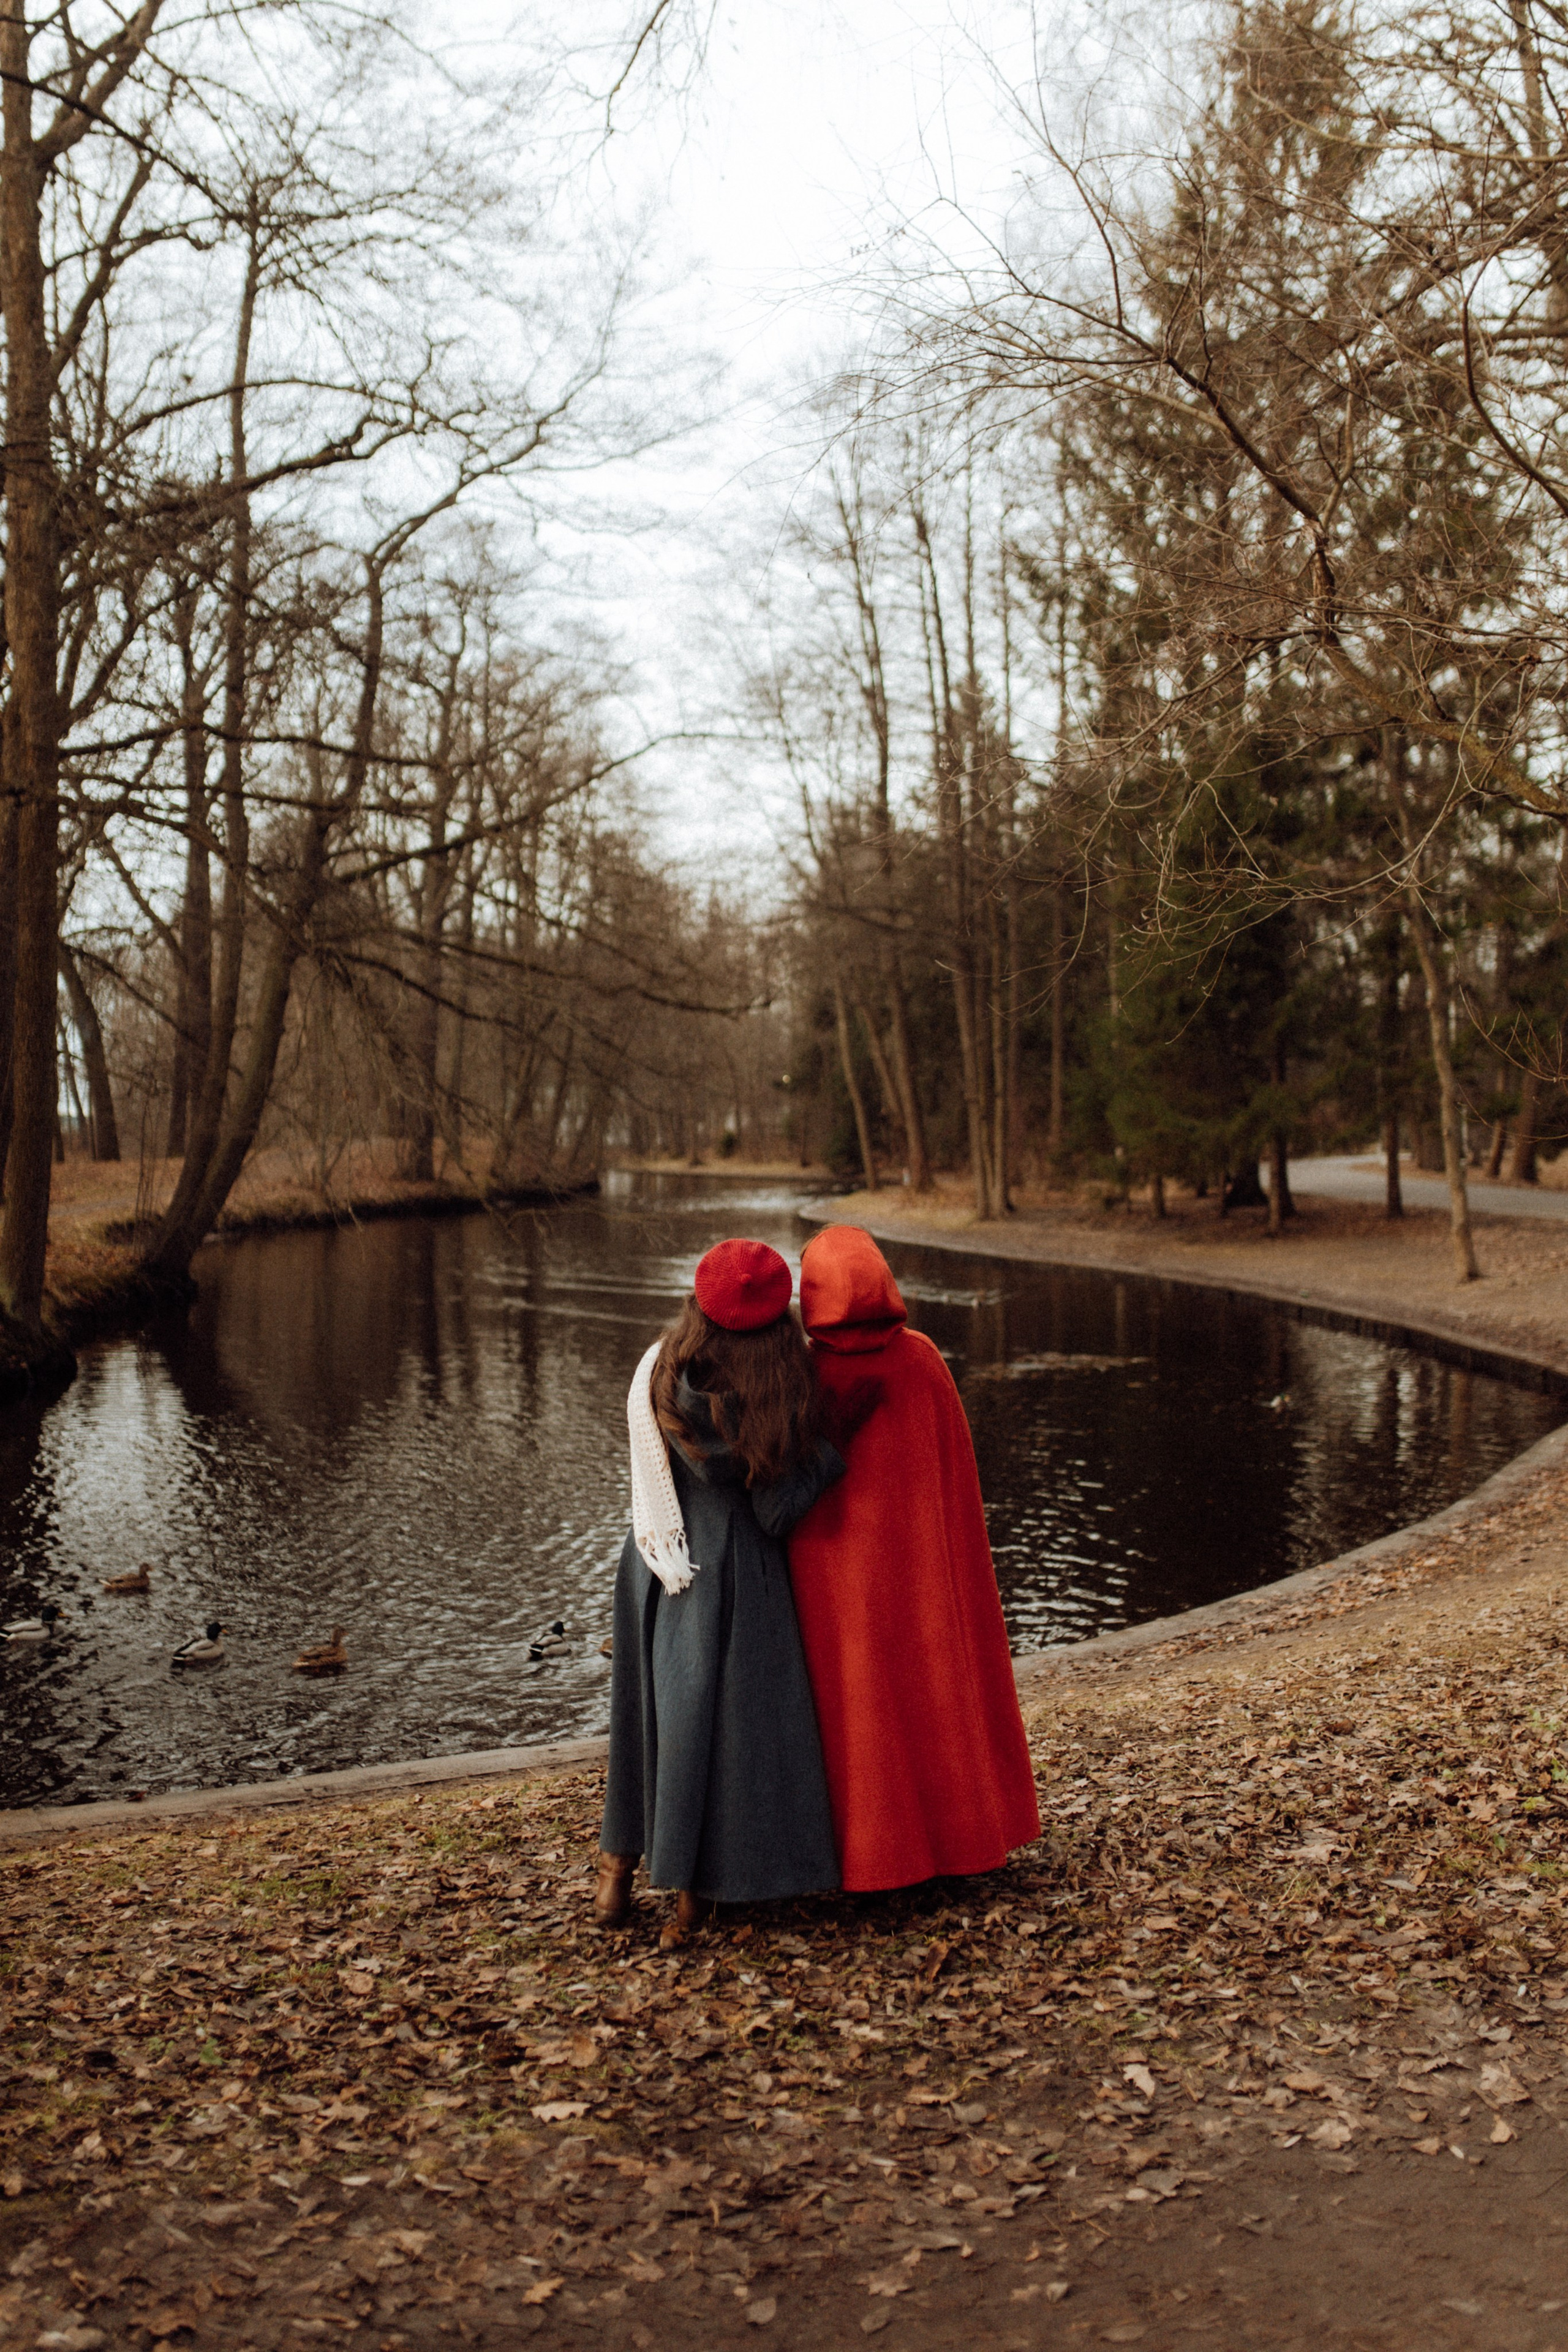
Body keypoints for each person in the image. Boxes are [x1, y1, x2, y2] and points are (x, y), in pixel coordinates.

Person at [597, 1237, 843, 1945]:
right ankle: (695, 1895)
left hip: (654, 1558)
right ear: (778, 1322)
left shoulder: (660, 1368)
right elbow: (775, 1511)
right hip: (733, 1572)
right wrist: (826, 1455)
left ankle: (614, 1876)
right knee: (719, 1732)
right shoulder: (769, 1395)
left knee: (649, 1724)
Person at [789, 1223, 1040, 1892]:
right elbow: (956, 1476)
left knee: (854, 1703)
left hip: (831, 1578)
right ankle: (961, 1841)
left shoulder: (800, 1371)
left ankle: (867, 1859)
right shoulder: (922, 1358)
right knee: (935, 1689)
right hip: (924, 1570)